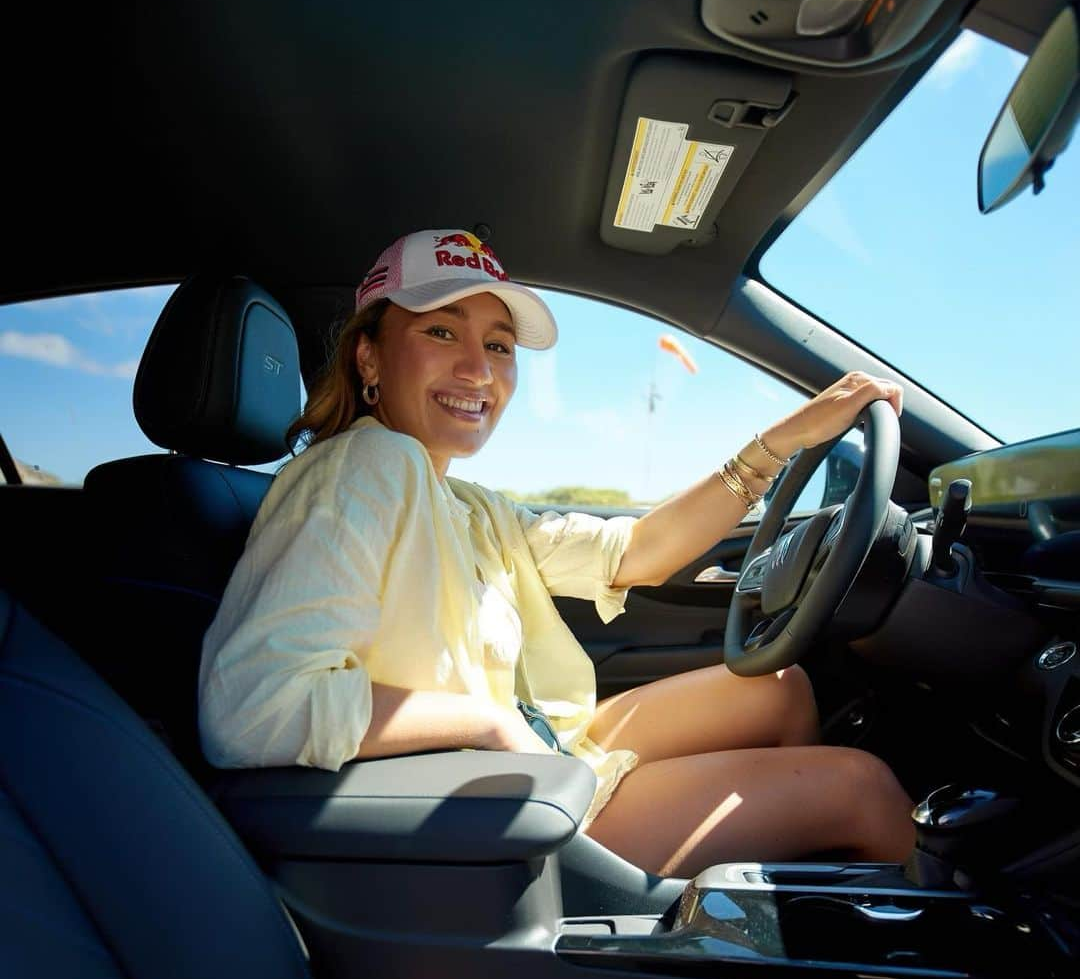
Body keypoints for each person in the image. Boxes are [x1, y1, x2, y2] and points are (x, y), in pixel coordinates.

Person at [198, 229, 915, 876]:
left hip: (544, 749)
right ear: (368, 354)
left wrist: (779, 444)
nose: (479, 369)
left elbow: (638, 550)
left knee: (779, 688)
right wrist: (488, 722)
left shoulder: (469, 505)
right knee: (861, 789)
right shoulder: (364, 468)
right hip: (491, 807)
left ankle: (780, 911)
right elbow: (251, 709)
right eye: (443, 331)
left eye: (500, 345)